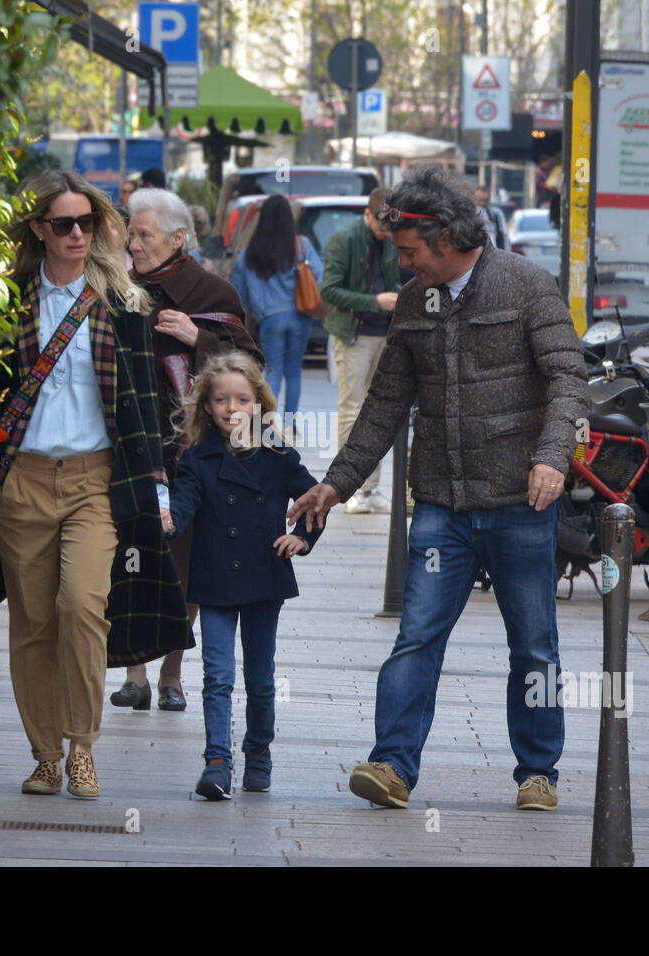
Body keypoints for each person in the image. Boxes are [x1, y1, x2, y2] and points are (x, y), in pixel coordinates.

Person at [288, 165, 589, 812]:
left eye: (410, 252)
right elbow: (386, 404)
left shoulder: (528, 286)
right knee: (418, 633)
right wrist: (335, 485)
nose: (403, 265)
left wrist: (551, 457)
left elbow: (568, 378)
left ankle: (539, 773)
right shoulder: (418, 303)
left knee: (533, 642)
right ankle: (391, 764)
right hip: (441, 510)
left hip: (520, 504)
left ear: (447, 238)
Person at [0, 169, 190, 798]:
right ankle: (45, 756)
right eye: (62, 223)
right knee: (34, 622)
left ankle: (83, 746)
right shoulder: (6, 299)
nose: (76, 233)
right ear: (38, 228)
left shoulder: (121, 300)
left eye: (86, 223)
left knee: (83, 607)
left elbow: (144, 403)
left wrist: (159, 488)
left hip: (98, 479)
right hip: (23, 482)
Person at [117, 187, 264, 712]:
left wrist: (197, 338)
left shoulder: (211, 293)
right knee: (131, 555)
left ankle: (173, 672)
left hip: (194, 450)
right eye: (130, 233)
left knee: (188, 563)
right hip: (132, 444)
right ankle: (134, 672)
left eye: (144, 235)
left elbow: (250, 365)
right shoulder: (116, 287)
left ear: (179, 239)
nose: (133, 243)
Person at [161, 352, 323, 799]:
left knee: (260, 676)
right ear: (207, 407)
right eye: (220, 400)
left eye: (242, 399)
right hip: (214, 577)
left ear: (258, 403)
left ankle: (258, 753)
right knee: (216, 673)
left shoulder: (278, 456)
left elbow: (314, 501)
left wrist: (303, 539)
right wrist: (170, 520)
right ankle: (217, 761)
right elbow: (184, 503)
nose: (231, 408)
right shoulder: (196, 459)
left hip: (263, 576)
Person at [319, 187, 400, 514]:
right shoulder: (345, 239)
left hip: (385, 332)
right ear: (367, 215)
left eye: (390, 228)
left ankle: (372, 488)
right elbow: (329, 290)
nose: (386, 233)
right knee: (352, 409)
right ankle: (347, 489)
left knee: (378, 412)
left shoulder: (393, 237)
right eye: (382, 227)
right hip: (354, 332)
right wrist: (374, 302)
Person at [230, 194, 323, 417]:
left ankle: (269, 421)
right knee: (293, 371)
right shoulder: (302, 245)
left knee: (273, 369)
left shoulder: (249, 253)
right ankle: (290, 423)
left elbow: (238, 293)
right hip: (300, 316)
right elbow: (319, 276)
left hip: (269, 319)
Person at [474, 186, 509, 251]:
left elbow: (503, 235)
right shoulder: (469, 216)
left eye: (486, 200)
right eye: (480, 200)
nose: (482, 203)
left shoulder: (496, 215)